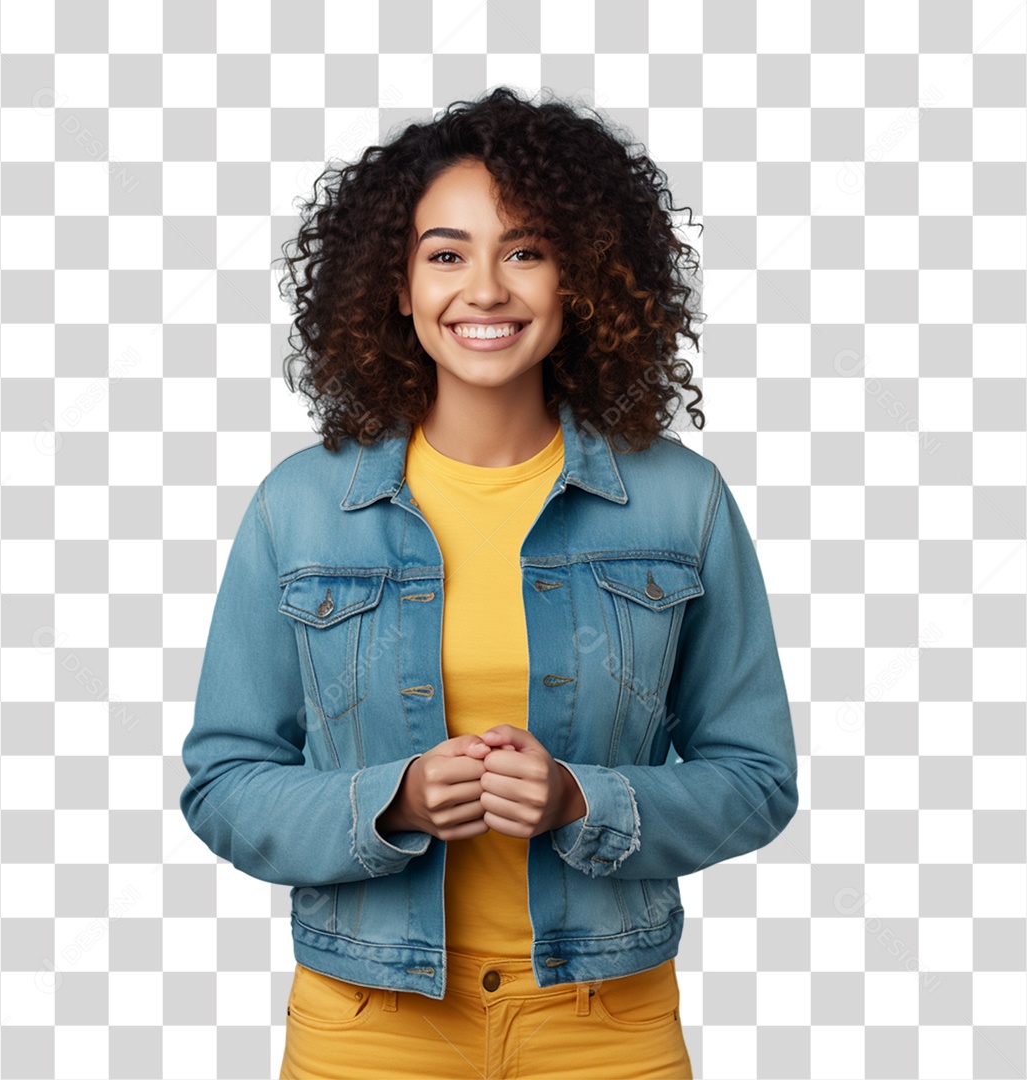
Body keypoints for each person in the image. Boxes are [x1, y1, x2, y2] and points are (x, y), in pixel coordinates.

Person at [179, 86, 799, 1080]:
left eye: (524, 250)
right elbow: (224, 782)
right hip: (367, 1024)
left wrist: (579, 801)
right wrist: (391, 803)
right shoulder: (299, 508)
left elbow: (756, 781)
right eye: (446, 253)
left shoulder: (681, 502)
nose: (485, 289)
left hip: (604, 1022)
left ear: (579, 278)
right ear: (399, 285)